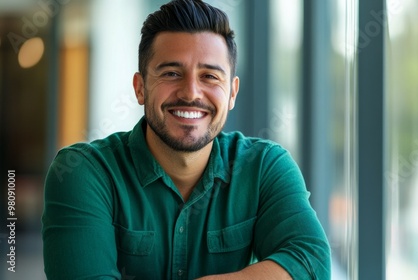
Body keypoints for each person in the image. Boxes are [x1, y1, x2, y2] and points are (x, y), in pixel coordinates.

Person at [42, 0, 331, 279]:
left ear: (232, 93)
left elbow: (312, 263)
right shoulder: (84, 172)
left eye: (209, 76)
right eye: (171, 73)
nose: (191, 92)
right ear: (140, 88)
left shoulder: (265, 166)